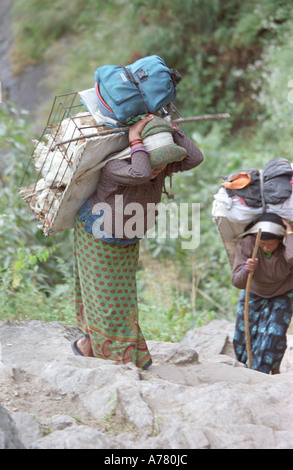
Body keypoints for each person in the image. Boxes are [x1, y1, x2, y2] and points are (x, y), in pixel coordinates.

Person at [72, 114, 204, 369]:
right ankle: (111, 356)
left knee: (118, 300)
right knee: (105, 302)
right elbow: (142, 171)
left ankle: (89, 347)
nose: (157, 171)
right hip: (96, 239)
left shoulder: (162, 166)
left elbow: (195, 158)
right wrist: (135, 136)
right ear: (137, 152)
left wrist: (171, 130)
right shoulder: (117, 167)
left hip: (125, 240)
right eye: (155, 163)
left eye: (162, 165)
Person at [231, 213, 293, 374]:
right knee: (242, 338)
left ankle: (264, 372)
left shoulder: (286, 246)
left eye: (271, 244)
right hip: (254, 293)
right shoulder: (248, 244)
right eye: (263, 244)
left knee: (273, 336)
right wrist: (246, 269)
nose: (266, 248)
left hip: (283, 293)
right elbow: (237, 282)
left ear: (280, 240)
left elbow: (292, 257)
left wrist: (290, 233)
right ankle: (245, 372)